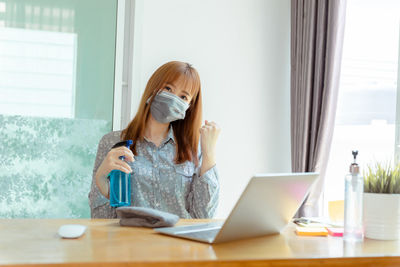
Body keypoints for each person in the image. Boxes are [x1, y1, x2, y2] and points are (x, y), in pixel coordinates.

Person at [88, 61, 220, 219]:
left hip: (179, 242)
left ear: (189, 106)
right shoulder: (112, 142)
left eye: (183, 96)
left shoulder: (195, 148)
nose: (172, 98)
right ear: (153, 87)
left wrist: (209, 153)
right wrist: (101, 181)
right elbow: (100, 220)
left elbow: (204, 218)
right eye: (168, 88)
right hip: (130, 242)